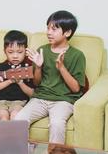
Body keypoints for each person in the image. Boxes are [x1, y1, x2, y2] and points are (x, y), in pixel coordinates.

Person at [15, 10, 86, 144]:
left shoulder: (77, 55)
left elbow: (76, 89)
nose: (48, 32)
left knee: (57, 124)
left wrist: (61, 68)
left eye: (54, 29)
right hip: (40, 98)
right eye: (48, 28)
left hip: (63, 100)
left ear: (67, 33)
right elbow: (36, 83)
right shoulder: (43, 50)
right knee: (19, 120)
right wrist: (39, 66)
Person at [0, 30, 34, 120]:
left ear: (25, 51)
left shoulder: (28, 68)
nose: (15, 56)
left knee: (15, 115)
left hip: (19, 101)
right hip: (0, 101)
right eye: (10, 52)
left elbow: (32, 93)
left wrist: (21, 83)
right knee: (3, 116)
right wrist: (9, 81)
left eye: (19, 52)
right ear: (5, 51)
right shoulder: (0, 67)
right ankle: (3, 134)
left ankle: (13, 134)